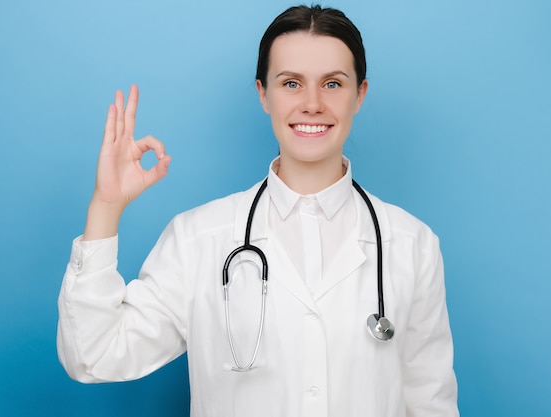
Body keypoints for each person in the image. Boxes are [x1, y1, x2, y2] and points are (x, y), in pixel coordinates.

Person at [57, 5, 459, 417]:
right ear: (263, 93)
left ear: (360, 94)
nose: (312, 104)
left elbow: (431, 405)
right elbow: (94, 354)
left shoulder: (413, 245)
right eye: (291, 83)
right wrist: (105, 208)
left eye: (333, 84)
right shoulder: (198, 238)